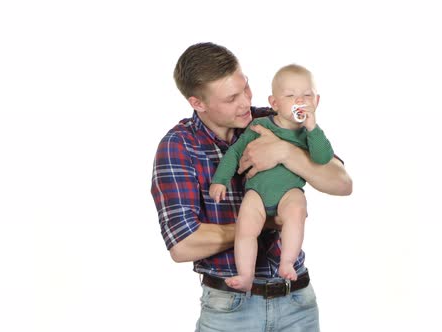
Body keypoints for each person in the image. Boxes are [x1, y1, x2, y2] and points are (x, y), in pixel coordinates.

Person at [151, 42, 352, 331]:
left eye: (245, 87)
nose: (245, 102)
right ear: (198, 103)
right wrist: (264, 222)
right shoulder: (179, 146)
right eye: (232, 98)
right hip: (230, 309)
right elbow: (183, 244)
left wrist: (286, 153)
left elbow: (342, 183)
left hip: (297, 301)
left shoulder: (271, 122)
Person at [209, 64, 333, 292]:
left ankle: (287, 262)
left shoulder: (308, 133)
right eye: (290, 95)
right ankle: (246, 275)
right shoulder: (259, 125)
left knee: (297, 210)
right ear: (274, 103)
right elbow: (234, 153)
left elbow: (323, 157)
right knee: (245, 226)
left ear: (316, 102)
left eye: (307, 95)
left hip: (289, 193)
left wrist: (313, 127)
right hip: (257, 192)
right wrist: (220, 180)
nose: (300, 100)